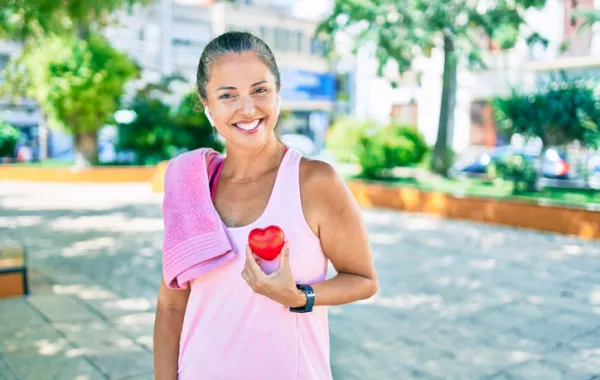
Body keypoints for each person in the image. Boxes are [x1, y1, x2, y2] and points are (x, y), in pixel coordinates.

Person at [153, 31, 378, 380]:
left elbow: (363, 279)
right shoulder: (191, 186)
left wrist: (299, 295)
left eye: (260, 90)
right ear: (207, 104)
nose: (247, 108)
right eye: (227, 95)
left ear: (277, 92)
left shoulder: (314, 182)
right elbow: (170, 304)